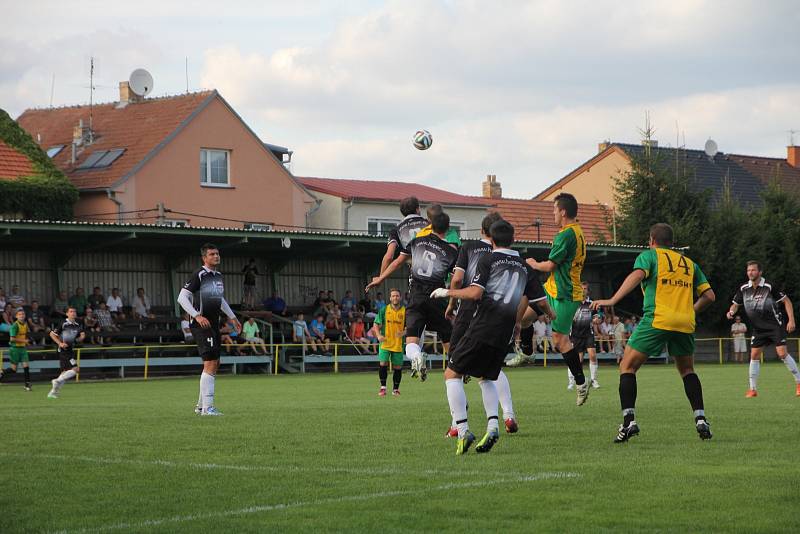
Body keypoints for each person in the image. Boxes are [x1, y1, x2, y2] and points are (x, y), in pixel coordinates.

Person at [430, 219, 546, 454]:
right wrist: (552, 313)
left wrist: (447, 292)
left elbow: (474, 293)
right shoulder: (525, 266)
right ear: (513, 239)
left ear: (490, 239)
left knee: (452, 373)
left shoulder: (488, 258)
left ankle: (462, 430)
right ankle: (493, 426)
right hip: (503, 333)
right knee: (486, 377)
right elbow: (541, 302)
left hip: (482, 326)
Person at [592, 223, 715, 443]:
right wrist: (689, 311)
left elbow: (637, 275)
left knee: (627, 366)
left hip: (658, 318)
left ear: (651, 240)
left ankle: (628, 422)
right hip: (685, 322)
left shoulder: (649, 256)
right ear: (672, 242)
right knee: (687, 370)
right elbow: (709, 296)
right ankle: (701, 419)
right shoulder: (689, 263)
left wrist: (612, 300)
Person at [366, 211, 458, 382]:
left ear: (430, 224)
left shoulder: (416, 242)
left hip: (416, 297)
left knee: (411, 341)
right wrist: (452, 302)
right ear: (447, 229)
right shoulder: (451, 252)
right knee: (447, 338)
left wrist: (380, 278)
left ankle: (416, 357)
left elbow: (397, 262)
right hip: (437, 298)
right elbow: (456, 279)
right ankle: (458, 367)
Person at [527, 192, 590, 406]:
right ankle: (526, 352)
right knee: (524, 314)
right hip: (552, 289)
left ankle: (581, 383)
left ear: (562, 212)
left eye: (554, 210)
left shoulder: (566, 235)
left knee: (560, 340)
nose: (552, 214)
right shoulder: (576, 230)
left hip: (566, 294)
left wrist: (533, 263)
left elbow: (550, 265)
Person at [177, 243, 241, 416]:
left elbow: (220, 300)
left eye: (217, 253)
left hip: (213, 324)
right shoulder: (199, 274)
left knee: (215, 362)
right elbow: (182, 297)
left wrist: (232, 317)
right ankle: (208, 408)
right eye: (212, 254)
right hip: (201, 325)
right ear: (204, 258)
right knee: (211, 363)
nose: (216, 256)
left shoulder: (217, 276)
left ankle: (201, 406)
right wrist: (197, 315)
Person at [726, 260, 798, 397]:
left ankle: (799, 382)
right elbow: (735, 304)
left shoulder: (769, 286)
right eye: (748, 270)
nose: (750, 273)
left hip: (775, 326)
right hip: (758, 329)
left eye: (753, 270)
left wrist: (791, 320)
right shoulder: (744, 288)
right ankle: (752, 389)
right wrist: (731, 312)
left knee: (782, 353)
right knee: (754, 356)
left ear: (760, 272)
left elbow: (786, 301)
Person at [379, 196, 428, 275]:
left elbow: (389, 256)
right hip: (436, 270)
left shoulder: (396, 230)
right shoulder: (430, 224)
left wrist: (380, 277)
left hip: (416, 273)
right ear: (417, 209)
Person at [370, 288, 406, 395]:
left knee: (398, 367)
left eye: (397, 296)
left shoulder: (405, 311)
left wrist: (403, 333)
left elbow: (410, 327)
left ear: (400, 297)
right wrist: (378, 335)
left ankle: (395, 389)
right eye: (393, 296)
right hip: (385, 343)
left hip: (398, 344)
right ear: (390, 298)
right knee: (383, 364)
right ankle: (383, 388)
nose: (395, 297)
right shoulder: (384, 310)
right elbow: (375, 324)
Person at [47, 307, 86, 399]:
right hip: (64, 351)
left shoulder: (77, 324)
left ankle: (53, 392)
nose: (73, 313)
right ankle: (56, 381)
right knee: (76, 369)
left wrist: (81, 338)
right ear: (67, 314)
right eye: (71, 311)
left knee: (64, 372)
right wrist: (60, 343)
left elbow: (81, 336)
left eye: (74, 311)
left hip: (70, 350)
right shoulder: (63, 323)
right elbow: (52, 334)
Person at [568, 282, 600, 390]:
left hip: (588, 334)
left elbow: (597, 317)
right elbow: (567, 317)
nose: (583, 291)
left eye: (585, 289)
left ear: (588, 291)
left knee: (592, 355)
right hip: (576, 335)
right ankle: (572, 381)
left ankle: (594, 380)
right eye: (581, 288)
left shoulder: (592, 303)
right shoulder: (573, 303)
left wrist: (597, 320)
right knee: (577, 360)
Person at [0, 308, 32, 390]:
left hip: (23, 348)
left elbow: (23, 336)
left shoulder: (25, 324)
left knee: (26, 366)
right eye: (20, 314)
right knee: (13, 370)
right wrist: (24, 340)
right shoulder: (14, 325)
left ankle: (27, 385)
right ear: (16, 316)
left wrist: (26, 341)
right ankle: (1, 372)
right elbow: (12, 339)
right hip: (15, 349)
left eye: (23, 314)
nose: (22, 316)